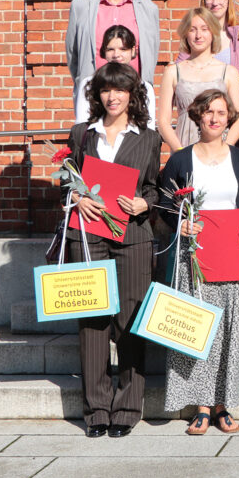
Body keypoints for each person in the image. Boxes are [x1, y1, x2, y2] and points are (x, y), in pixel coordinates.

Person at [64, 62, 161, 438]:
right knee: (92, 322)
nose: (113, 96)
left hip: (133, 236)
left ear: (132, 94)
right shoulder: (81, 135)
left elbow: (155, 188)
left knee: (130, 321)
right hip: (88, 236)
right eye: (106, 89)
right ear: (97, 94)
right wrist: (73, 196)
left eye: (120, 89)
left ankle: (127, 406)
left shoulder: (149, 138)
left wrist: (145, 205)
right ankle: (96, 409)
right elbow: (66, 184)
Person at [160, 89, 239, 436]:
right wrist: (179, 224)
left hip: (232, 257)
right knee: (200, 329)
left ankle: (223, 405)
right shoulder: (181, 160)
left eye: (221, 112)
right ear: (197, 117)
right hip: (194, 259)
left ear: (229, 118)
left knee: (230, 332)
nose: (215, 118)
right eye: (208, 112)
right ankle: (201, 407)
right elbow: (165, 202)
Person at [65, 0, 159, 96]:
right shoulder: (80, 6)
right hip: (93, 92)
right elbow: (72, 53)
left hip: (134, 92)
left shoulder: (148, 8)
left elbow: (151, 53)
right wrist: (81, 81)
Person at [158, 7, 239, 152]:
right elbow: (163, 121)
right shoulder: (173, 72)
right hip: (184, 146)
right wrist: (180, 151)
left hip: (219, 151)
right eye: (192, 30)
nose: (198, 35)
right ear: (185, 33)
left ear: (213, 33)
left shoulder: (229, 72)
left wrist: (225, 148)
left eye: (204, 29)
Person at [176, 0, 239, 104]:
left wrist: (223, 104)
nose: (215, 2)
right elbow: (180, 73)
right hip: (197, 109)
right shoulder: (196, 35)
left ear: (228, 1)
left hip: (232, 111)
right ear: (204, 0)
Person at [74, 26, 156, 127]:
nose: (116, 55)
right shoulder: (90, 84)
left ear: (133, 50)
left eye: (123, 49)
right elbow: (82, 122)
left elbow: (149, 125)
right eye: (110, 49)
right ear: (104, 51)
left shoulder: (144, 86)